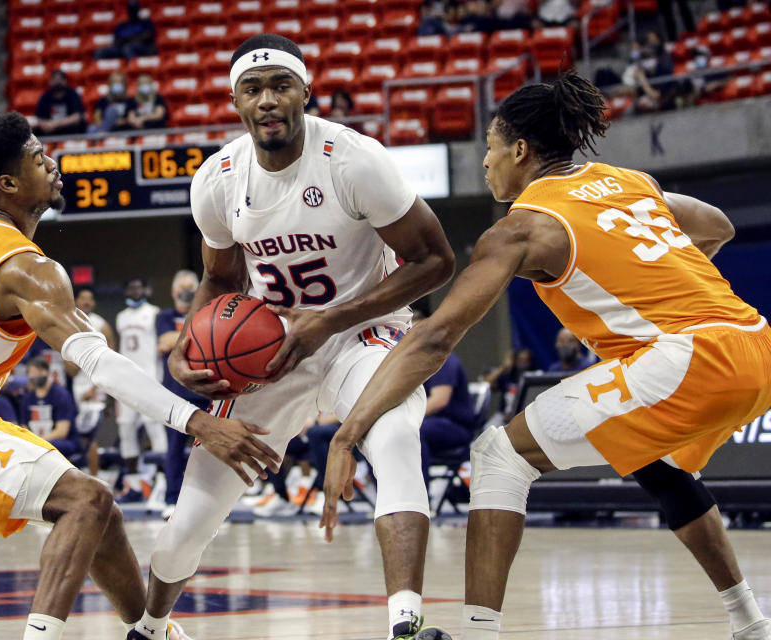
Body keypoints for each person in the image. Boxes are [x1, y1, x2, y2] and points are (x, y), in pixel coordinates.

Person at [322, 72, 771, 640]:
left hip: (689, 359)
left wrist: (348, 431)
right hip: (755, 343)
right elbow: (718, 226)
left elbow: (435, 338)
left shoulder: (522, 228)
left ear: (520, 150)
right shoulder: (631, 181)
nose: (485, 162)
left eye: (489, 146)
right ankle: (750, 623)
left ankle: (480, 634)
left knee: (497, 456)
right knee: (662, 468)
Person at [0, 111, 280, 640]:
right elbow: (100, 363)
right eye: (37, 157)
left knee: (102, 510)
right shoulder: (28, 271)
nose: (52, 162)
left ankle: (150, 631)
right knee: (84, 501)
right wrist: (198, 422)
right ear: (8, 183)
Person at [129, 34, 457, 640]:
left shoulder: (355, 160)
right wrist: (182, 345)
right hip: (270, 347)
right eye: (252, 89)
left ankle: (406, 624)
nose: (268, 100)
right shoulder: (217, 180)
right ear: (235, 102)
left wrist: (328, 320)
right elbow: (220, 278)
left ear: (306, 91)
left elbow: (435, 261)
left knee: (397, 437)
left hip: (365, 333)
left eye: (281, 85)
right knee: (193, 513)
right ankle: (152, 627)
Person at [155, 270, 208, 519]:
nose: (187, 292)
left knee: (210, 449)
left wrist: (180, 341)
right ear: (174, 292)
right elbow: (165, 339)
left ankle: (208, 501)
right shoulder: (163, 316)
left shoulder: (203, 313)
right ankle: (171, 499)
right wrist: (197, 338)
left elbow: (173, 342)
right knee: (174, 448)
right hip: (173, 392)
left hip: (203, 388)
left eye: (191, 287)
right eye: (183, 288)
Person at [115, 276, 165, 499]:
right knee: (126, 429)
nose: (135, 291)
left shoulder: (155, 313)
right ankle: (133, 483)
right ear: (126, 291)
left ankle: (161, 479)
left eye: (138, 286)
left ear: (146, 289)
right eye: (131, 287)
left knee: (154, 428)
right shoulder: (121, 317)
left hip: (150, 379)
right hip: (127, 380)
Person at [64, 286, 116, 476]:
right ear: (76, 301)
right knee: (76, 434)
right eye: (83, 298)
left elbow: (110, 359)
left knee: (90, 435)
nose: (86, 301)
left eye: (90, 298)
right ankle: (79, 475)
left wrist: (96, 387)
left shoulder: (101, 324)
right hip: (73, 387)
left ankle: (96, 476)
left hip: (95, 387)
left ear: (93, 302)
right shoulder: (68, 323)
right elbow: (69, 368)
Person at [420, 351, 475, 488]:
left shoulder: (443, 359)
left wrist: (406, 417)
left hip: (455, 426)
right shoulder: (414, 361)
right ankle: (384, 499)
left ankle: (419, 501)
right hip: (432, 423)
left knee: (413, 431)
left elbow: (439, 400)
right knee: (377, 432)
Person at [20, 358, 79, 458]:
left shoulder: (61, 395)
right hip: (36, 440)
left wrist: (40, 441)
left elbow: (62, 431)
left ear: (46, 372)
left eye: (38, 372)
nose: (34, 376)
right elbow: (24, 426)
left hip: (59, 441)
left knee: (50, 447)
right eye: (32, 373)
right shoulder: (28, 398)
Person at [34, 70, 87, 137]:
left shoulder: (72, 94)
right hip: (51, 130)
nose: (57, 82)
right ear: (51, 81)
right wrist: (46, 125)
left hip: (69, 129)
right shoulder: (45, 96)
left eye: (60, 79)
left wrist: (55, 124)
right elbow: (40, 118)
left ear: (65, 81)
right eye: (55, 79)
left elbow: (76, 117)